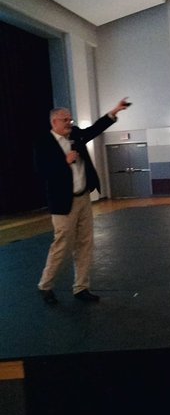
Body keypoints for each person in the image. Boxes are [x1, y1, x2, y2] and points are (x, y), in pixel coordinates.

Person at [35, 98, 131, 304]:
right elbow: (42, 172)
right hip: (62, 204)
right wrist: (64, 162)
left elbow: (95, 129)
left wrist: (114, 111)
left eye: (70, 119)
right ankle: (45, 285)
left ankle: (81, 287)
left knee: (85, 243)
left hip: (83, 198)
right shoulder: (43, 143)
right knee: (62, 245)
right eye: (65, 120)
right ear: (54, 123)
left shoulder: (76, 134)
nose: (69, 123)